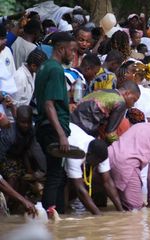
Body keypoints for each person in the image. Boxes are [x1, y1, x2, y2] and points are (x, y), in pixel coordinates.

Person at [34, 31, 75, 213]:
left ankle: (58, 216)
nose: (73, 55)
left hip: (43, 127)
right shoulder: (56, 69)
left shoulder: (44, 67)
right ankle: (50, 217)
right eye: (71, 50)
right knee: (54, 174)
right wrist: (61, 135)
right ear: (61, 49)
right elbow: (49, 104)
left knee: (59, 175)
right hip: (53, 128)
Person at [65, 124, 123, 215]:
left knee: (98, 179)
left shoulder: (101, 151)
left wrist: (121, 211)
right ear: (89, 155)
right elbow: (80, 189)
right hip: (56, 137)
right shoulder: (76, 154)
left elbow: (107, 182)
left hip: (75, 138)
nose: (97, 165)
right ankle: (62, 210)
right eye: (96, 162)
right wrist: (98, 215)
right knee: (64, 182)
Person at [70, 80, 141, 143]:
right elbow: (110, 134)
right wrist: (122, 146)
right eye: (134, 100)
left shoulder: (105, 91)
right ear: (127, 93)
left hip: (71, 121)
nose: (133, 105)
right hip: (84, 131)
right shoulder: (120, 102)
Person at [0, 106, 46, 198]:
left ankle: (18, 207)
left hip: (19, 158)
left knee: (25, 179)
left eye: (28, 122)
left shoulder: (31, 131)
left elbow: (33, 149)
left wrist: (42, 170)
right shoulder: (9, 134)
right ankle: (4, 205)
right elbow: (1, 154)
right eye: (23, 122)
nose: (26, 125)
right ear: (17, 120)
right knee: (13, 178)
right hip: (5, 159)